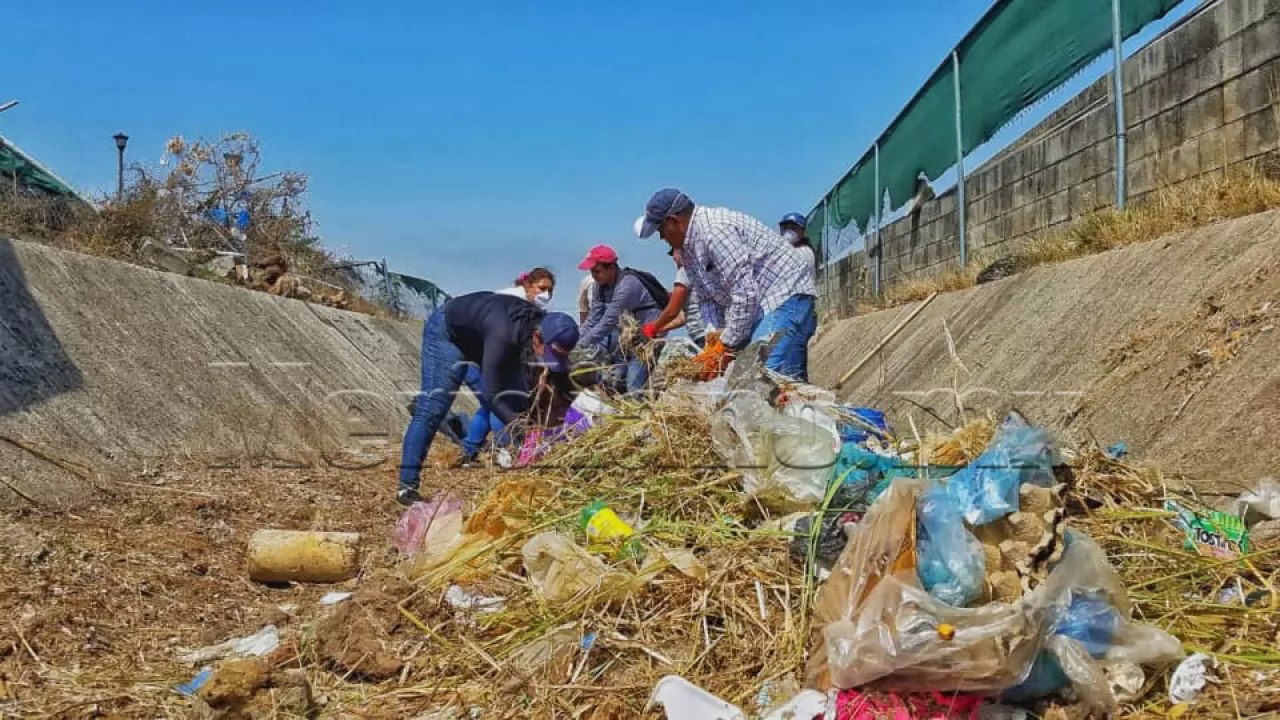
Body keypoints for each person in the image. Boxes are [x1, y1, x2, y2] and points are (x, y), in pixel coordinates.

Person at [397, 291, 579, 505]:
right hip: (449, 334)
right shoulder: (503, 332)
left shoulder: (537, 331)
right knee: (433, 408)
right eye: (550, 355)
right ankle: (406, 487)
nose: (550, 362)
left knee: (518, 401)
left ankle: (531, 474)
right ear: (537, 338)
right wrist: (523, 428)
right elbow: (491, 394)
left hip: (484, 340)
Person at [635, 188, 817, 381]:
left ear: (674, 221)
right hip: (759, 304)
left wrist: (726, 345)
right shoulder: (689, 251)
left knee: (763, 378)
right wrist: (714, 341)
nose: (662, 238)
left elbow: (745, 294)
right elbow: (707, 299)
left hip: (784, 293)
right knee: (778, 381)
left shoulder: (715, 232)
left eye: (660, 230)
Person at [462, 267, 559, 463]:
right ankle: (505, 450)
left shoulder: (524, 305)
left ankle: (469, 452)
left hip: (477, 356)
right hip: (480, 358)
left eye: (550, 290)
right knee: (501, 401)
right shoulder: (514, 303)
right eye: (542, 288)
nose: (546, 295)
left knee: (489, 404)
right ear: (528, 285)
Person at [577, 244, 668, 394]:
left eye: (597, 271)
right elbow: (593, 318)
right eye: (591, 271)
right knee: (614, 381)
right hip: (627, 336)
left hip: (648, 336)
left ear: (611, 268)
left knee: (633, 385)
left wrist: (581, 345)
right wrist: (575, 341)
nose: (594, 275)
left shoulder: (627, 285)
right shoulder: (599, 286)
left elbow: (608, 321)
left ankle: (639, 413)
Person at [643, 247, 706, 346]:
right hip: (709, 332)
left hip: (702, 336)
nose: (673, 258)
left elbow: (673, 310)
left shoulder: (684, 272)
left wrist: (652, 328)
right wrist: (661, 328)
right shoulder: (701, 270)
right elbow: (682, 317)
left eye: (674, 253)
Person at [779, 212, 818, 291]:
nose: (788, 232)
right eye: (785, 228)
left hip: (799, 297)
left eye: (793, 228)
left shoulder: (805, 251)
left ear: (802, 231)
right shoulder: (788, 250)